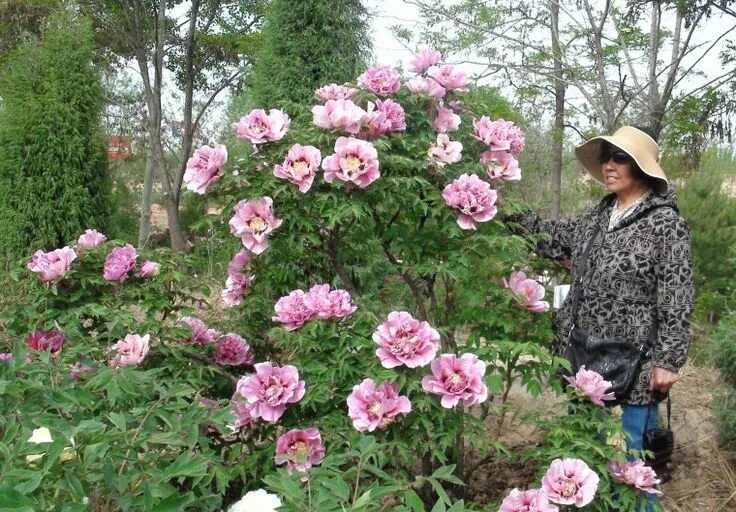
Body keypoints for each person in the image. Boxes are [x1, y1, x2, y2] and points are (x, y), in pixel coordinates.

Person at [514, 125, 694, 499]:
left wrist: (669, 360)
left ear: (641, 167)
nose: (608, 166)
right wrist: (498, 205)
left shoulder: (665, 224)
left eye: (619, 158)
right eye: (605, 157)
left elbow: (677, 296)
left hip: (635, 366)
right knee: (585, 460)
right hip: (584, 358)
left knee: (630, 473)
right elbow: (548, 236)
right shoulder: (597, 217)